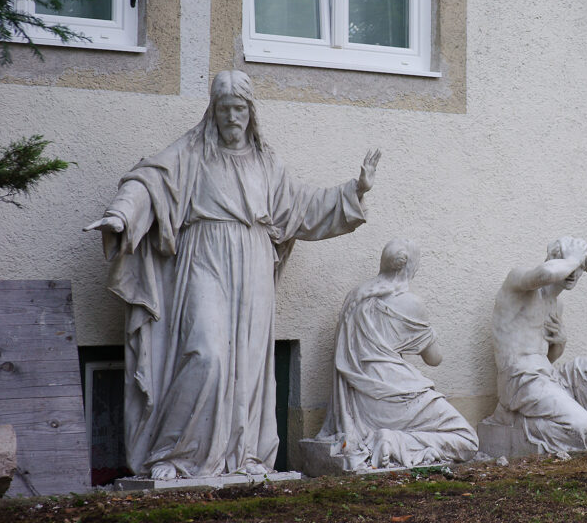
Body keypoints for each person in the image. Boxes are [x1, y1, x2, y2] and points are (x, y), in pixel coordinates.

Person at [84, 70, 380, 479]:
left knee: (248, 362)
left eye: (239, 108)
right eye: (224, 108)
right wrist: (120, 215)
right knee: (206, 352)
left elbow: (303, 206)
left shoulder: (266, 162)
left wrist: (354, 191)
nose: (231, 117)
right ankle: (175, 454)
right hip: (203, 256)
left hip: (253, 261)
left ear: (250, 112)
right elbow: (149, 180)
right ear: (213, 111)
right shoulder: (192, 152)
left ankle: (242, 455)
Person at [315, 238, 478, 468]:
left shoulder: (355, 298)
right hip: (397, 396)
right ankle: (395, 441)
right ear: (410, 266)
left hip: (360, 403)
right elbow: (434, 359)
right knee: (467, 439)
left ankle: (390, 439)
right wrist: (430, 332)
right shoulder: (411, 303)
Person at [486, 236, 587, 457]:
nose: (574, 272)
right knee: (581, 427)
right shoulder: (518, 282)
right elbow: (546, 274)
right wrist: (574, 258)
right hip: (521, 380)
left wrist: (560, 343)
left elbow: (547, 358)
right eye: (568, 263)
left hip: (550, 376)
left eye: (580, 266)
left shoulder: (556, 305)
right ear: (553, 260)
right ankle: (528, 427)